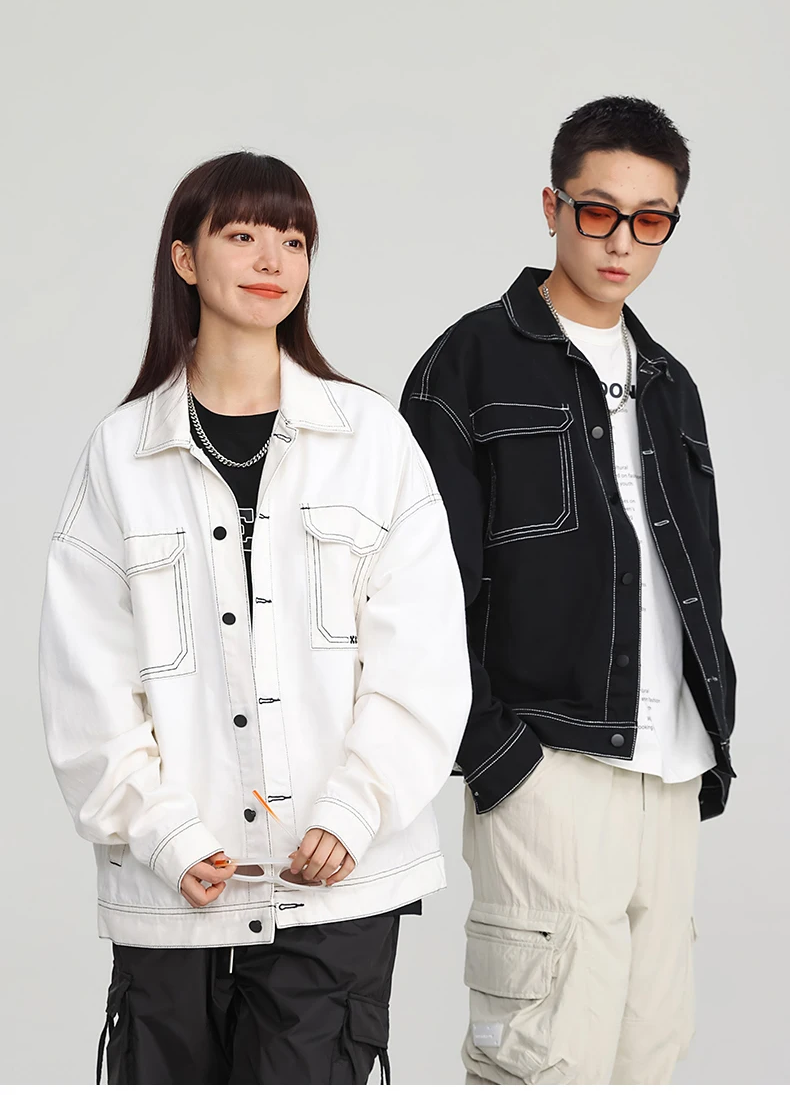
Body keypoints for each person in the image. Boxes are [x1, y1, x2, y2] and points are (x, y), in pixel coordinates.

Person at [38, 151, 471, 1086]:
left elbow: (425, 660)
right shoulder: (120, 455)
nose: (273, 258)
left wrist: (354, 809)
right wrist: (164, 832)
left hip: (340, 887)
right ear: (185, 259)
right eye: (242, 234)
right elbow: (86, 684)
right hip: (173, 895)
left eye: (295, 239)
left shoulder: (372, 443)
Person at [400, 97, 736, 1086]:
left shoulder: (671, 382)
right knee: (544, 1061)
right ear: (552, 206)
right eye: (598, 211)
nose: (622, 241)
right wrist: (494, 751)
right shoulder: (469, 363)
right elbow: (414, 587)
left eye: (651, 219)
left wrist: (713, 736)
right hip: (547, 763)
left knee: (647, 1055)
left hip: (670, 769)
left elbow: (695, 577)